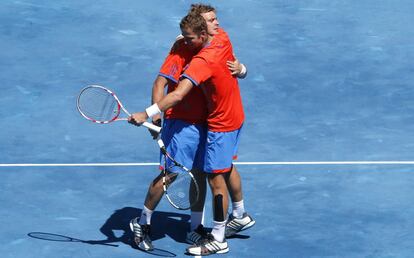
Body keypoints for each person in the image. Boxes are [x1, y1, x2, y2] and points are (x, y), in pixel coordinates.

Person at [128, 4, 253, 252]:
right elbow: (161, 84)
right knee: (170, 176)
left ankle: (195, 229)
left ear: (202, 33)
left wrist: (242, 69)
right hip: (180, 125)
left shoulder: (216, 41)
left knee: (199, 176)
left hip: (206, 122)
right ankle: (142, 222)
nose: (216, 24)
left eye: (214, 21)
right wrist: (154, 119)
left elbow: (232, 64)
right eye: (211, 20)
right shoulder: (180, 49)